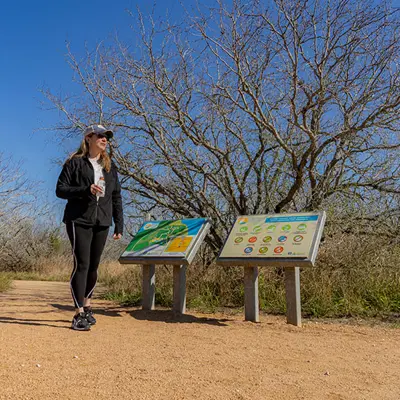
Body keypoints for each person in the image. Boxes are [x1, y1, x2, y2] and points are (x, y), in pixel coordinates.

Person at [56, 124, 123, 331]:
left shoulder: (110, 167)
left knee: (94, 266)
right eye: (101, 136)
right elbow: (60, 190)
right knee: (82, 265)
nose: (105, 140)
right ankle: (78, 314)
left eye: (107, 137)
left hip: (102, 221)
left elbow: (116, 197)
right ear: (89, 138)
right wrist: (86, 189)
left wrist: (118, 223)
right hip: (79, 220)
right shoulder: (74, 163)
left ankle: (87, 306)